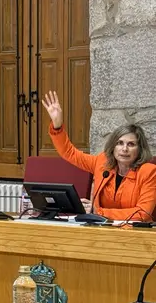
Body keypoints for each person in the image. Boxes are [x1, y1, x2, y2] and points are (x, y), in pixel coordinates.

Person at [42, 91, 156, 221]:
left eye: (131, 144)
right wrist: (57, 126)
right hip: (101, 230)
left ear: (140, 149)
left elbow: (143, 214)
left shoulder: (148, 172)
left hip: (135, 235)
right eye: (120, 143)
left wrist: (98, 212)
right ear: (113, 147)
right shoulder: (102, 163)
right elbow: (69, 153)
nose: (124, 149)